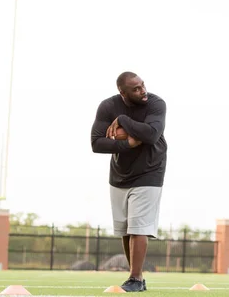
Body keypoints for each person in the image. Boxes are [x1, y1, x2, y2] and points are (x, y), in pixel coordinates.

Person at [91, 72, 167, 292]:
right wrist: (128, 144)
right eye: (135, 89)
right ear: (122, 92)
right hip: (120, 174)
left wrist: (124, 121)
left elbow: (151, 134)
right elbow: (97, 143)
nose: (142, 90)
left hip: (150, 171)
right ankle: (137, 278)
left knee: (138, 228)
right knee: (126, 230)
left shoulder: (156, 103)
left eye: (142, 85)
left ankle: (135, 278)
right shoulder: (107, 106)